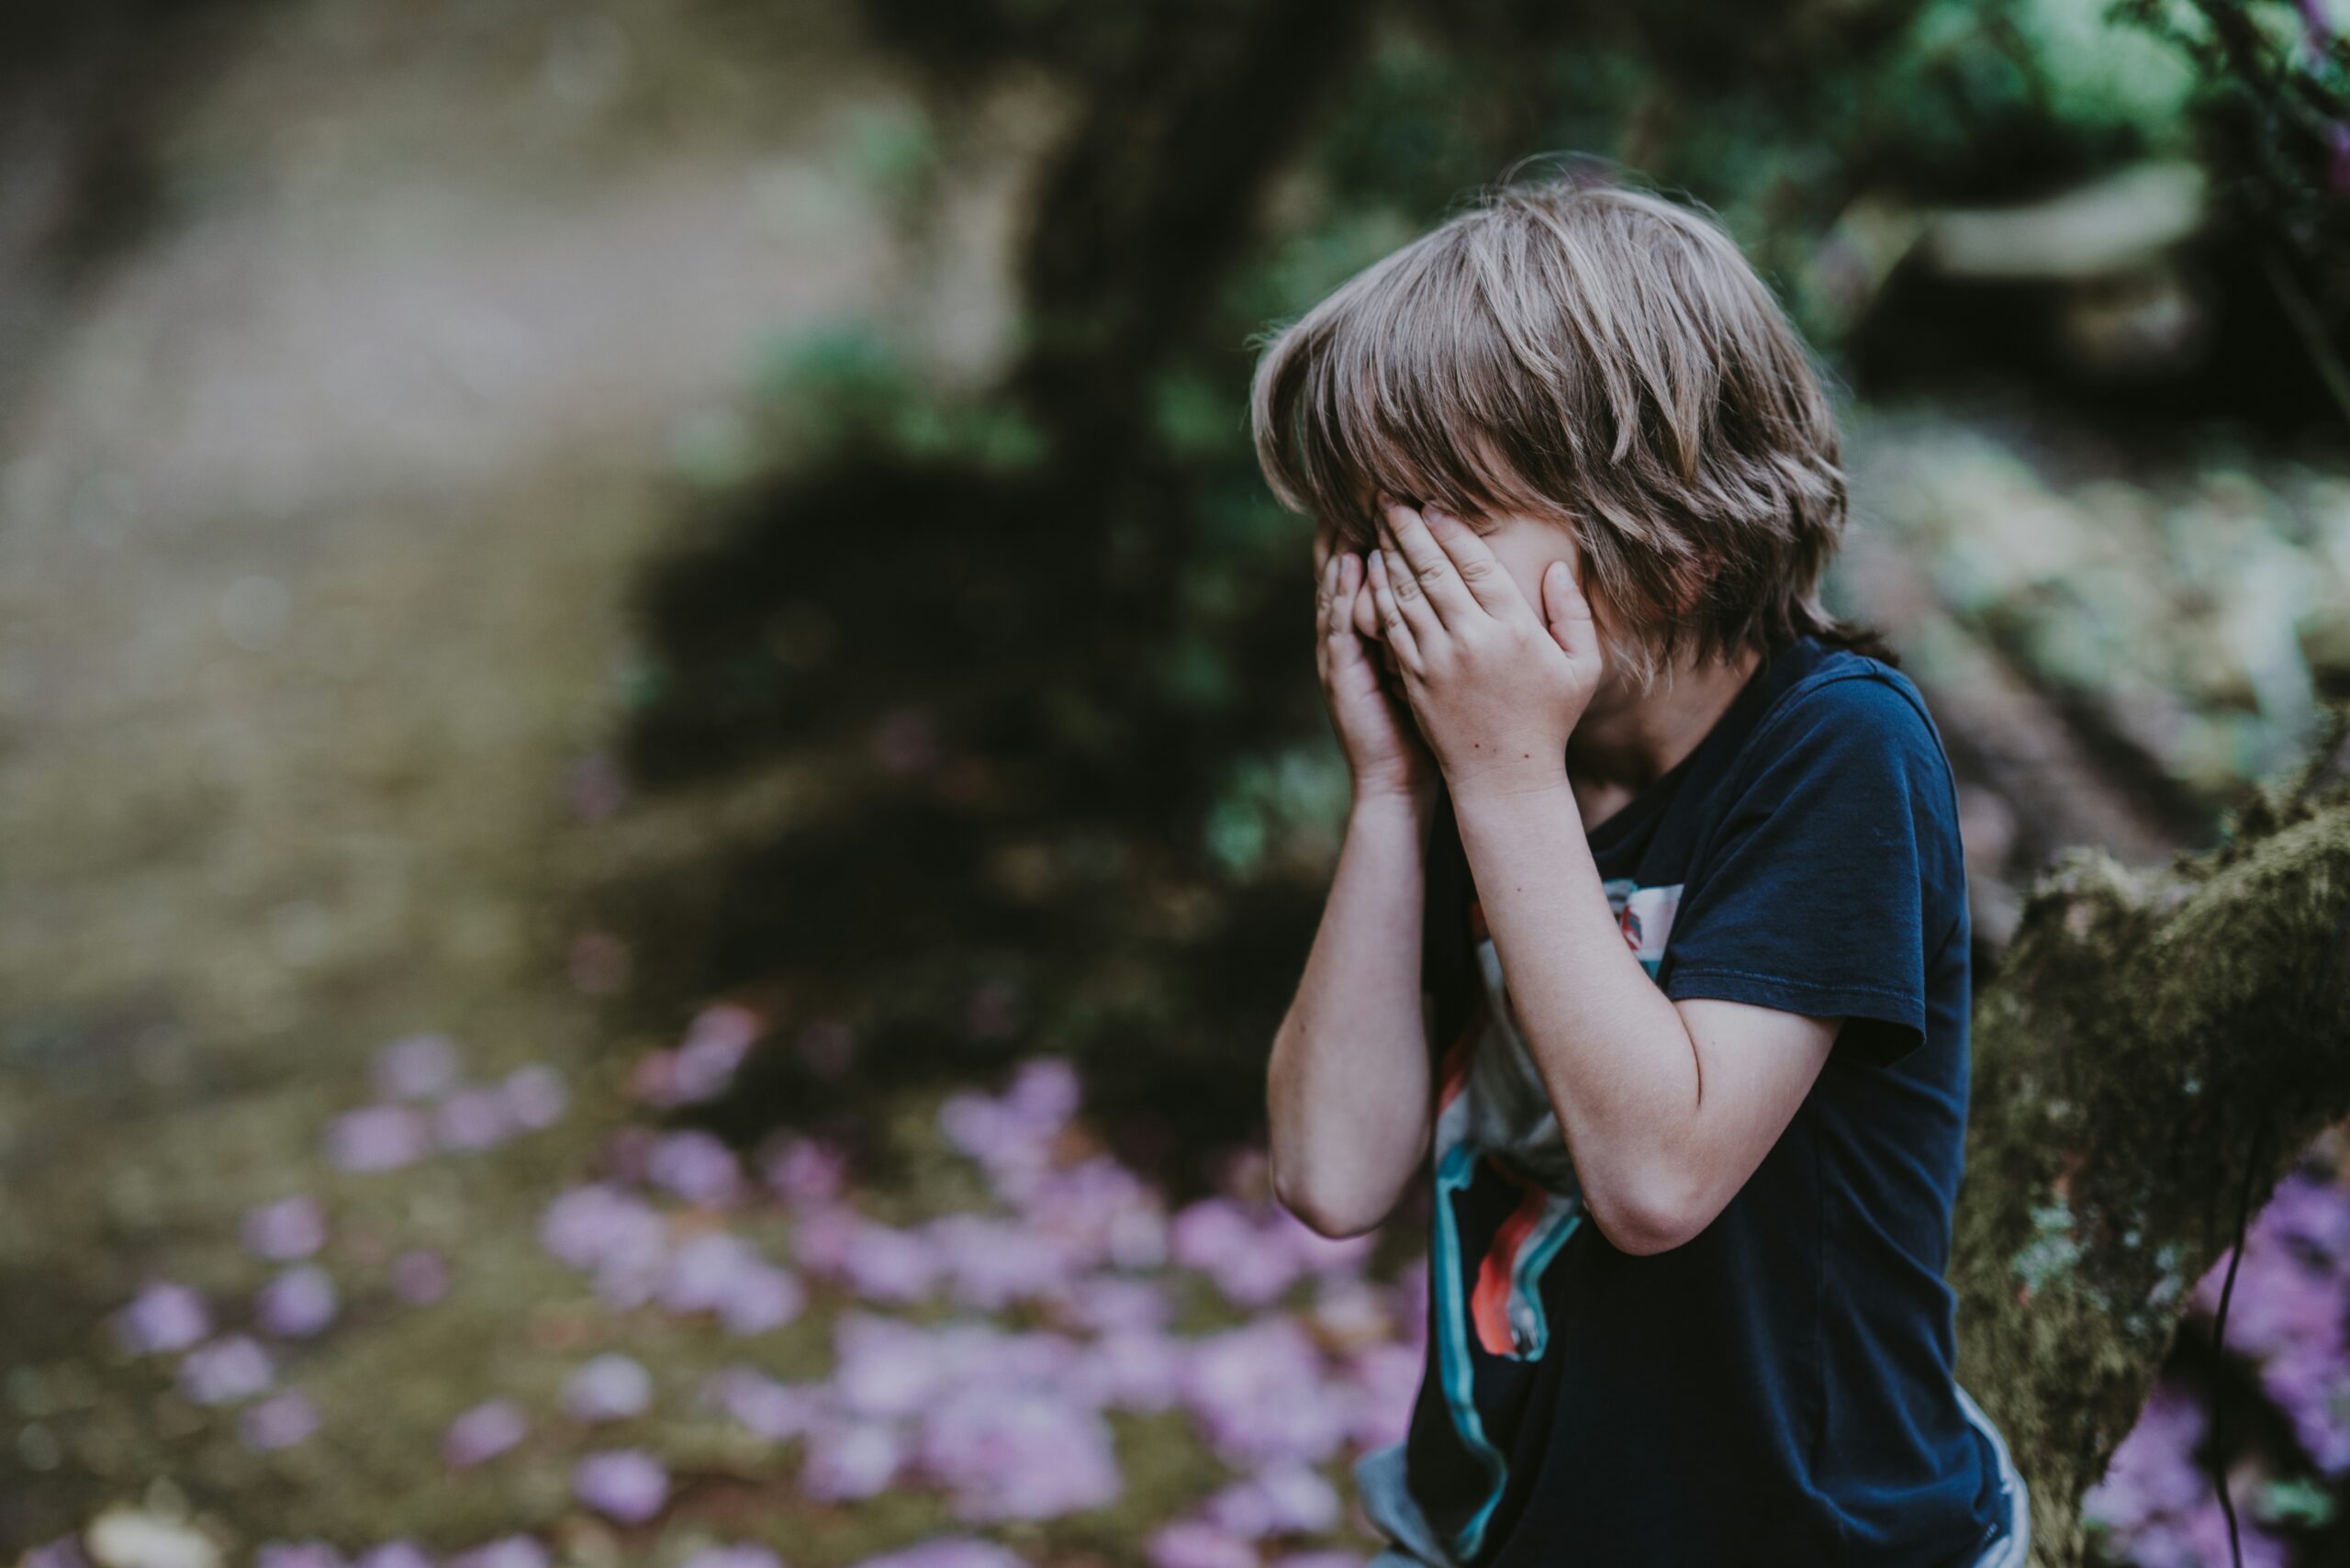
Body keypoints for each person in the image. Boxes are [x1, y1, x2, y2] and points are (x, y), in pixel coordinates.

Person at [1249, 166, 2031, 1566]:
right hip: (1495, 1524)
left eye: (1446, 526)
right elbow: (1329, 1170)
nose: (1399, 582)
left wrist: (1498, 775)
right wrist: (1387, 792)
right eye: (1368, 530)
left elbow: (1659, 1179)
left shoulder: (1837, 750)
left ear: (1670, 542)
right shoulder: (1480, 761)